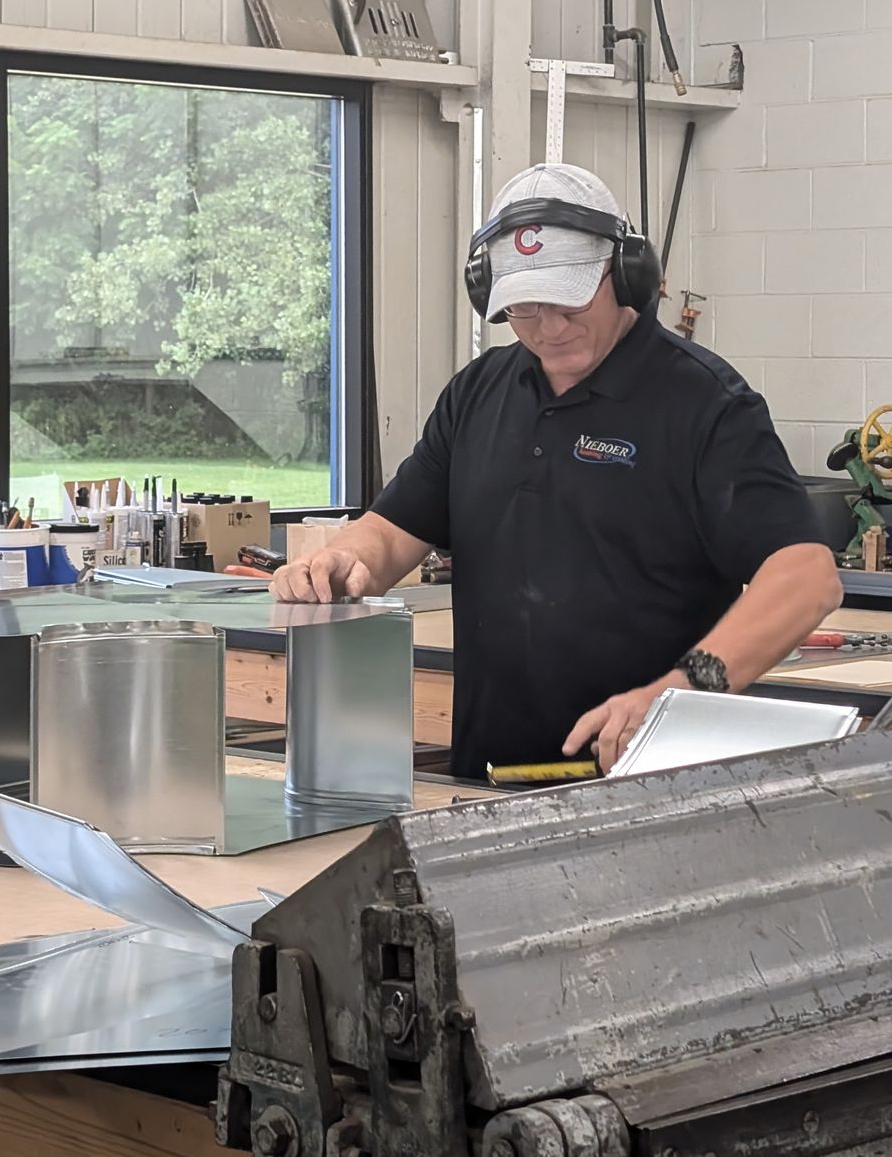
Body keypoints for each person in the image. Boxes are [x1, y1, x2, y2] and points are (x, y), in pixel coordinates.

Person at [272, 162, 843, 776]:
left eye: (570, 301)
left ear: (624, 274)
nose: (549, 328)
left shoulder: (705, 405)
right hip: (489, 783)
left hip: (648, 783)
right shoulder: (477, 394)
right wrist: (340, 559)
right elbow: (390, 532)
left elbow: (807, 577)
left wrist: (678, 694)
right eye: (524, 308)